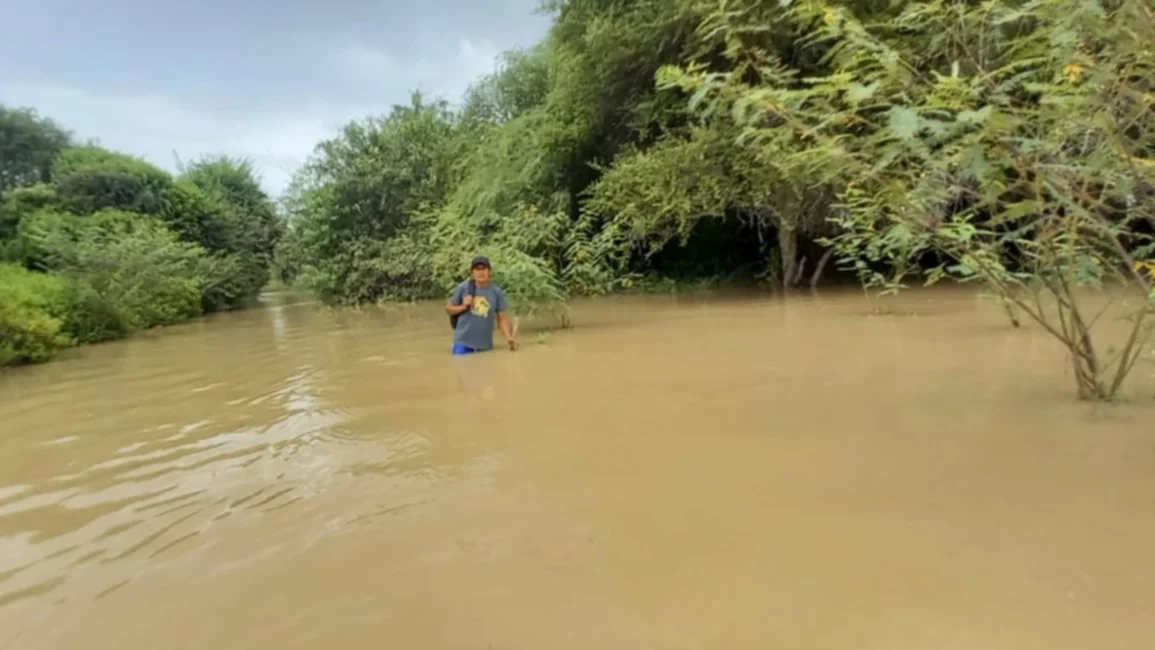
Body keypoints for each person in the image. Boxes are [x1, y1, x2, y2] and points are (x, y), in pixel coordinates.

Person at [445, 256, 518, 355]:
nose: (481, 272)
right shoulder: (463, 288)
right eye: (477, 269)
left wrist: (509, 338)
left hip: (485, 345)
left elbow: (502, 319)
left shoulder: (496, 292)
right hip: (463, 343)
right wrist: (463, 306)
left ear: (489, 272)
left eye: (484, 268)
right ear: (472, 273)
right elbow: (448, 309)